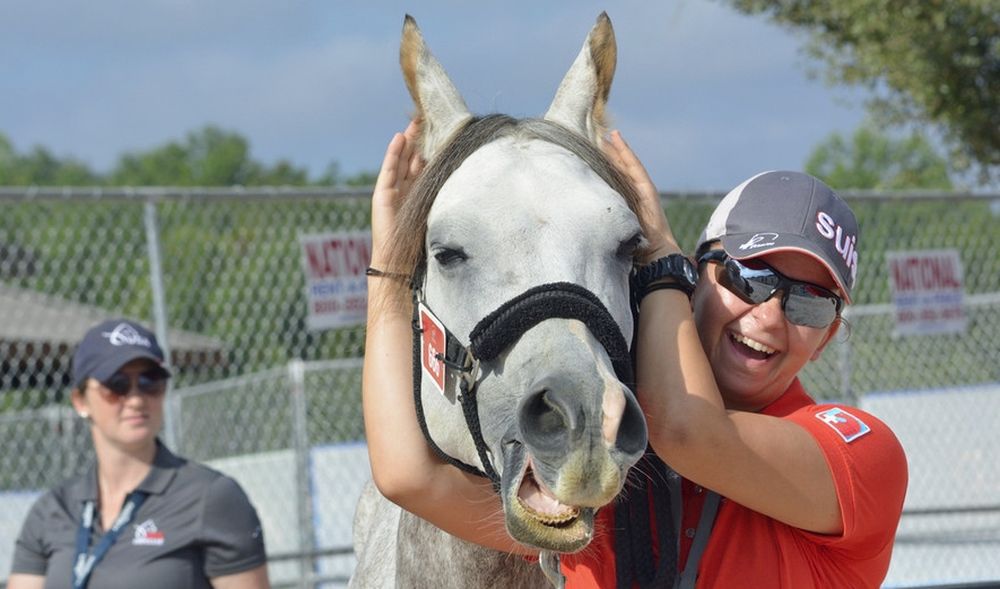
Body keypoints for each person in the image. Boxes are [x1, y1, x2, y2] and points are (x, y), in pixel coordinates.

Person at [363, 123, 908, 587]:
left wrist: (660, 262)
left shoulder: (863, 455)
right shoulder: (604, 456)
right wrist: (388, 272)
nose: (768, 316)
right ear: (699, 277)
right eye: (748, 278)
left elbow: (684, 428)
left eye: (811, 304)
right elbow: (410, 477)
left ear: (828, 337)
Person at [8, 319, 270, 589]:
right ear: (81, 401)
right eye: (117, 384)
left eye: (150, 381)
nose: (135, 399)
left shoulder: (211, 497)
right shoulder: (53, 509)